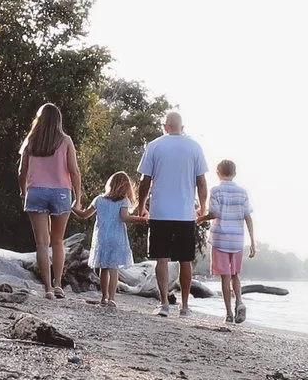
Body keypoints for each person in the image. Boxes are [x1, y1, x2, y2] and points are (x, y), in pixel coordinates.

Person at [135, 108, 209, 318]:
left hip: (160, 212)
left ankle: (164, 304)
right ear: (182, 127)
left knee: (162, 260)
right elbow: (201, 182)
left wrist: (141, 206)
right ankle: (184, 306)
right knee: (185, 260)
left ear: (165, 126)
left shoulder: (155, 146)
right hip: (185, 213)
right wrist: (202, 207)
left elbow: (145, 181)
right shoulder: (194, 147)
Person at [15, 101, 80, 298]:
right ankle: (59, 284)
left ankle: (47, 288)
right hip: (61, 192)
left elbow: (21, 171)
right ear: (58, 121)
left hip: (36, 191)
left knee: (42, 244)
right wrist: (78, 197)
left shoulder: (30, 141)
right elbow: (74, 170)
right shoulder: (66, 140)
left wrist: (23, 191)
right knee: (58, 242)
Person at [78, 170, 147, 308]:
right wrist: (142, 219)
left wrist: (74, 208)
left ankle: (104, 297)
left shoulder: (99, 200)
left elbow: (85, 214)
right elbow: (124, 218)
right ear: (125, 186)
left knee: (104, 269)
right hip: (116, 238)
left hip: (102, 238)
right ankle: (112, 299)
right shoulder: (123, 201)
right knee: (113, 269)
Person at [206, 158, 256, 327]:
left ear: (218, 173)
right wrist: (253, 242)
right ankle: (239, 301)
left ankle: (228, 314)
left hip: (220, 238)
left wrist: (200, 218)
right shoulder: (243, 192)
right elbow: (248, 217)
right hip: (237, 240)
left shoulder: (216, 190)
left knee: (224, 278)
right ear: (234, 173)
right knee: (235, 275)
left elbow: (214, 213)